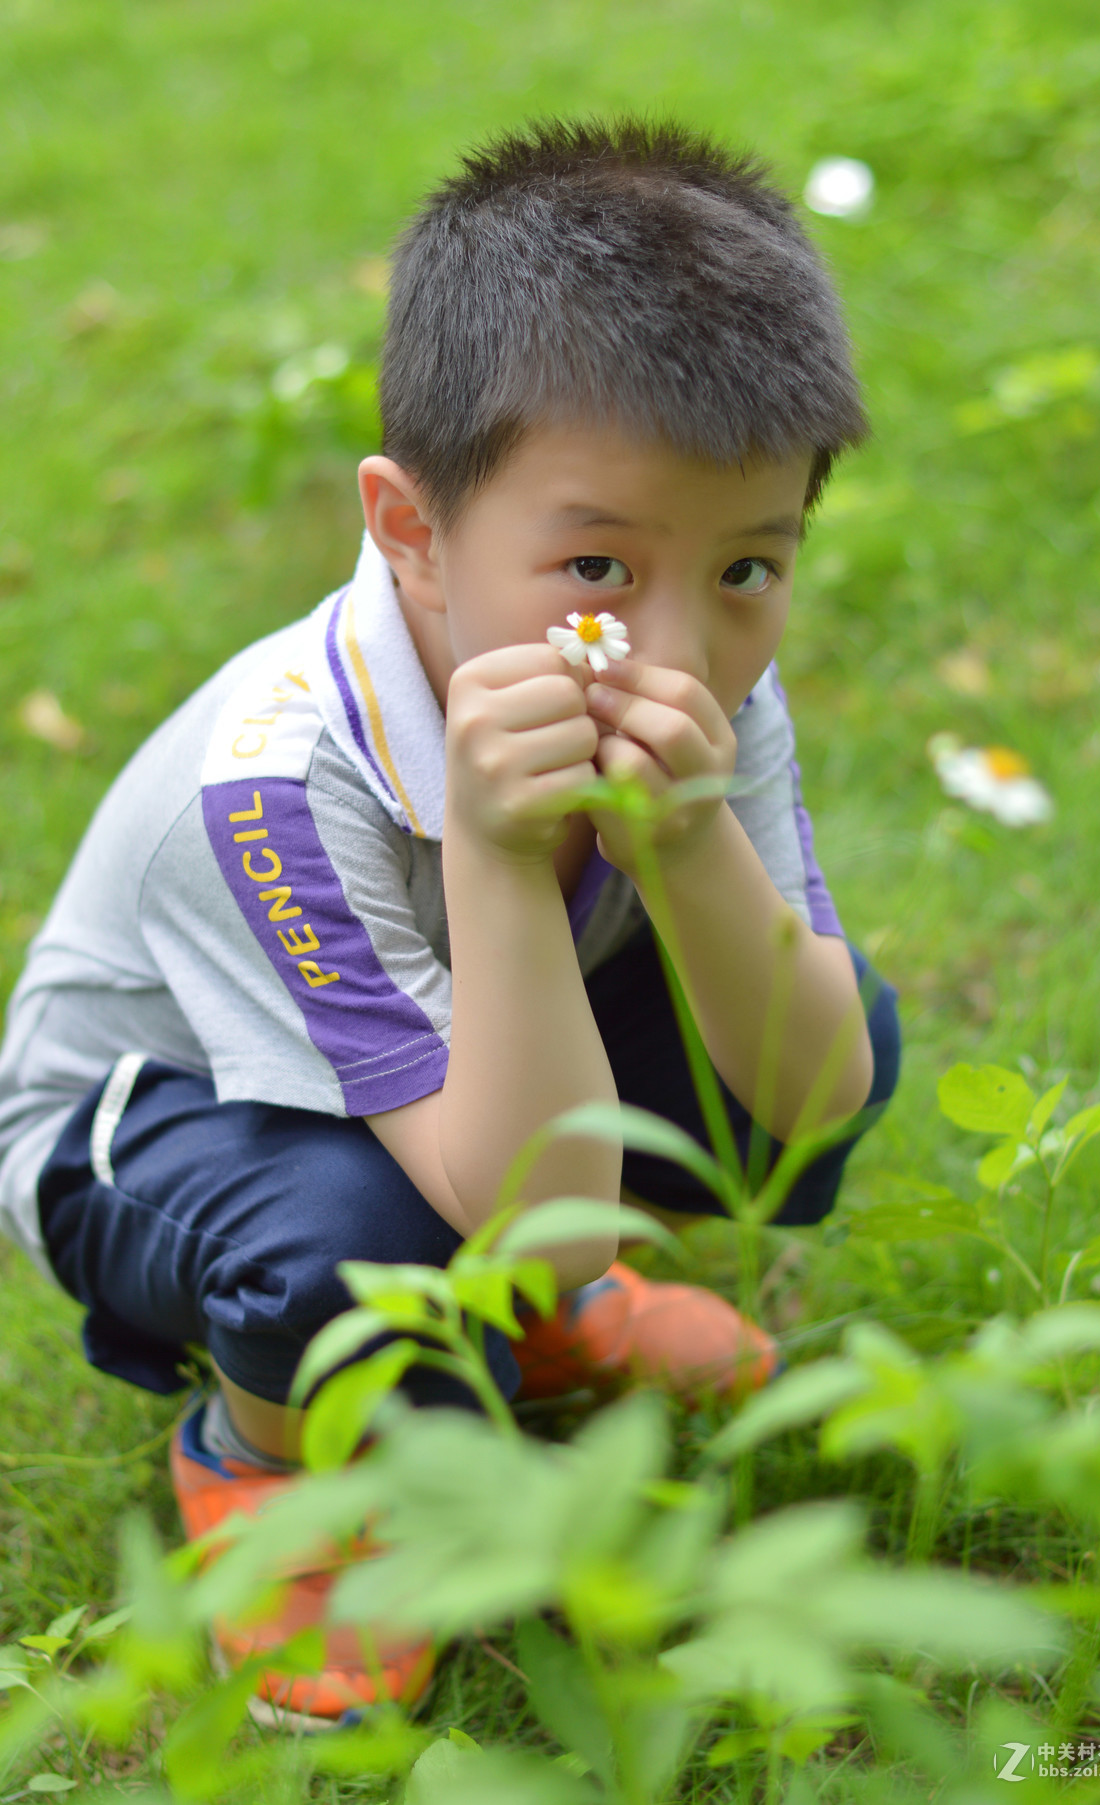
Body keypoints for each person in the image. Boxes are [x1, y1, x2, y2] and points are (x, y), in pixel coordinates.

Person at [0, 112, 900, 1723]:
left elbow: (817, 1094)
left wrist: (694, 853)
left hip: (470, 1097)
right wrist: (491, 848)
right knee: (355, 1230)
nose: (678, 648)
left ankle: (547, 1322)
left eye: (752, 568)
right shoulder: (283, 780)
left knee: (815, 1002)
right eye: (598, 563)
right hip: (166, 1121)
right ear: (413, 532)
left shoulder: (698, 678)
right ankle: (266, 1461)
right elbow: (509, 1191)